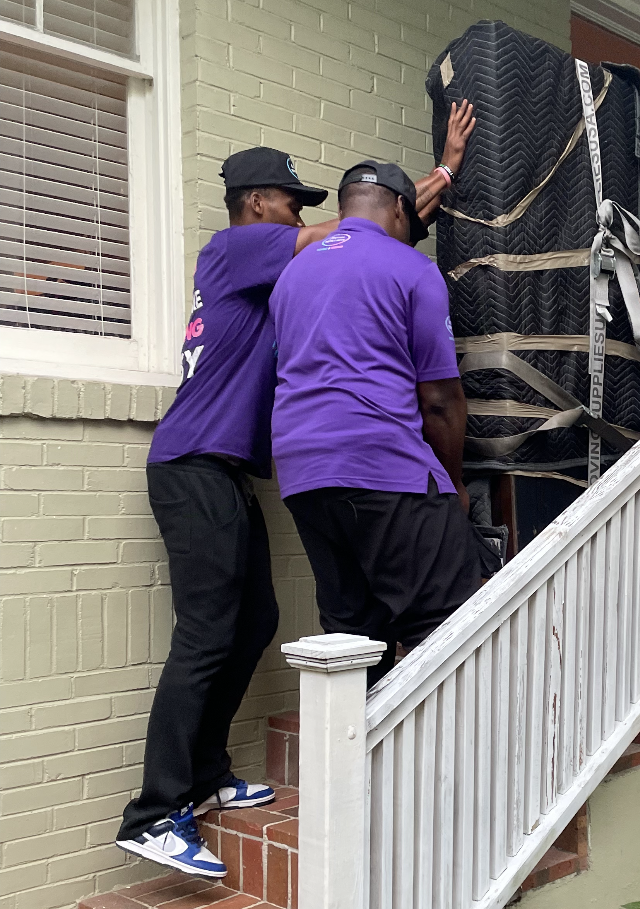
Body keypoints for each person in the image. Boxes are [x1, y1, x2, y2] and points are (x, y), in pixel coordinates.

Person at [115, 147, 334, 877]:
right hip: (192, 466)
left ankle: (206, 776)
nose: (298, 212)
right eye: (290, 200)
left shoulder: (258, 276)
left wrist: (435, 188)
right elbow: (336, 236)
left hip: (224, 473)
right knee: (206, 634)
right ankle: (152, 814)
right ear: (256, 201)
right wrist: (381, 211)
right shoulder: (236, 246)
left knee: (256, 620)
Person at [270, 156, 484, 689]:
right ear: (396, 209)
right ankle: (447, 771)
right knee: (449, 628)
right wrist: (452, 483)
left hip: (304, 476)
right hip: (384, 467)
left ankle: (362, 770)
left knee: (352, 639)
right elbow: (438, 399)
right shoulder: (410, 267)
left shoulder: (291, 274)